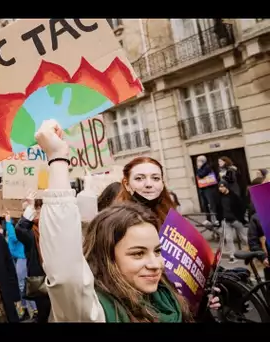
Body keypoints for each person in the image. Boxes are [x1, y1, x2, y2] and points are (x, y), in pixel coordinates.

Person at [33, 119, 221, 322]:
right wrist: (57, 158)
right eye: (138, 253)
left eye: (157, 251)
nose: (155, 264)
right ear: (107, 257)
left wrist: (200, 300)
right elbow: (66, 274)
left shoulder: (167, 297)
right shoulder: (99, 311)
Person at [114, 156, 175, 223]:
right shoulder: (120, 221)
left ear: (162, 183)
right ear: (127, 184)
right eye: (139, 178)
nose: (149, 184)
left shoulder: (170, 214)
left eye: (155, 178)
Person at [216, 180, 247, 264]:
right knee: (228, 239)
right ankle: (232, 256)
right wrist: (220, 220)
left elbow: (242, 206)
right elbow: (218, 210)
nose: (221, 188)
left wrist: (240, 217)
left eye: (222, 186)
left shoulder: (234, 196)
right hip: (225, 221)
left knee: (244, 237)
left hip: (236, 220)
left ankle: (253, 252)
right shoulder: (219, 197)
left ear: (226, 187)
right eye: (219, 187)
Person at [196, 155, 219, 225]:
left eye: (198, 161)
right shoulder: (201, 168)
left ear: (202, 161)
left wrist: (199, 168)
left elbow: (201, 175)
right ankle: (208, 219)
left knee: (212, 204)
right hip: (203, 188)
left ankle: (217, 219)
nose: (197, 163)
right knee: (205, 204)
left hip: (209, 188)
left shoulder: (207, 167)